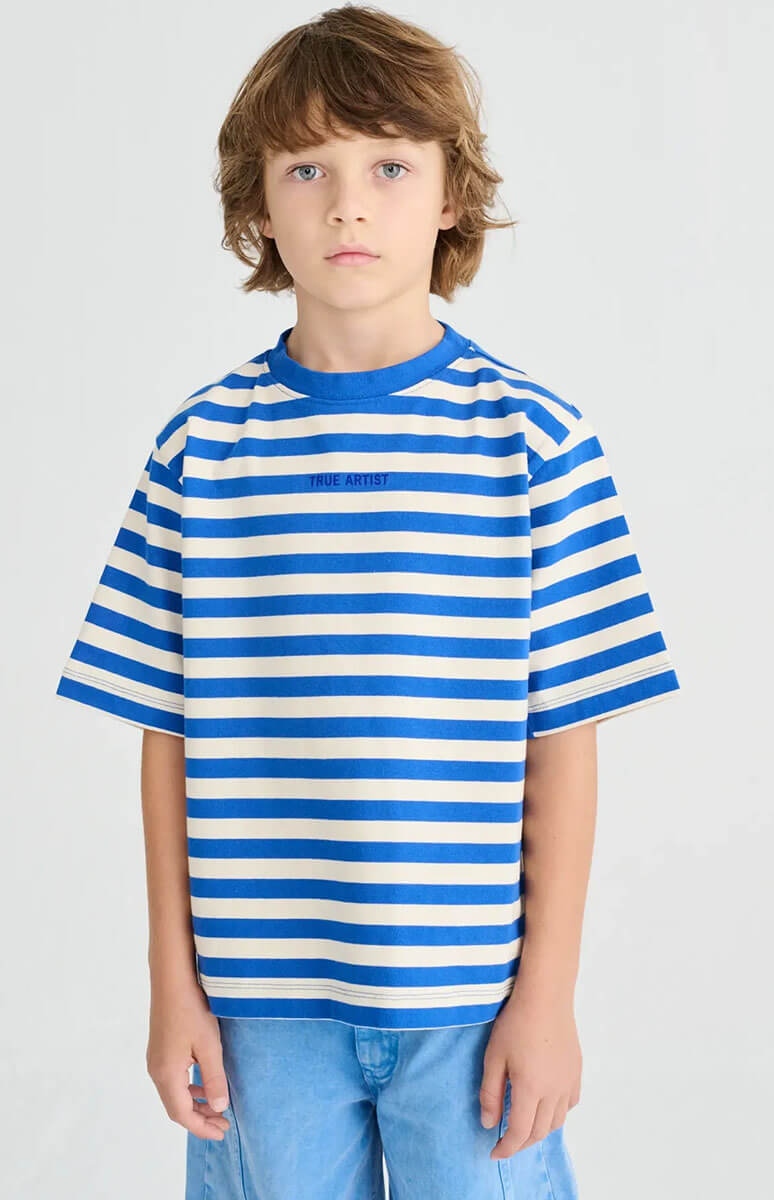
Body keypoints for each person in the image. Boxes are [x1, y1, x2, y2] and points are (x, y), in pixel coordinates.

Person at [55, 6, 681, 1196]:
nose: (348, 206)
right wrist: (171, 985)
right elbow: (165, 732)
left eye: (389, 166)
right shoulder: (201, 451)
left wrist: (547, 997)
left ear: (450, 196)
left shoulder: (535, 444)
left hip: (473, 1001)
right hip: (256, 1008)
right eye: (309, 170)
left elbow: (564, 734)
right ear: (259, 203)